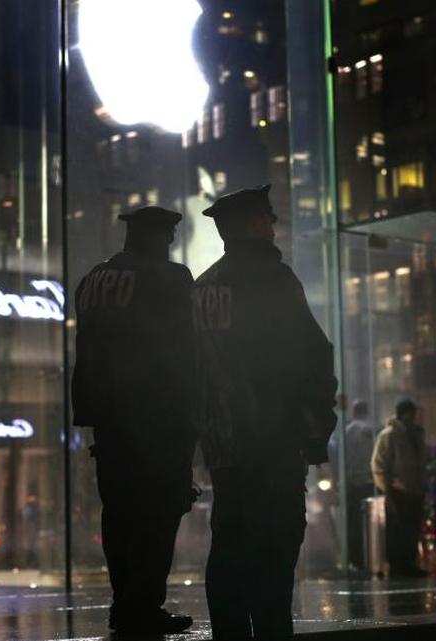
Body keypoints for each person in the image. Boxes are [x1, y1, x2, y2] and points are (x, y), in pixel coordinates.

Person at [192, 185, 338, 640]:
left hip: (223, 442)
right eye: (267, 217)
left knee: (230, 542)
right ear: (251, 224)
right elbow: (310, 353)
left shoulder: (202, 287)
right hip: (272, 436)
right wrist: (316, 421)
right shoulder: (271, 278)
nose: (274, 224)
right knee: (276, 544)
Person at [71, 205, 196, 634]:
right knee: (158, 516)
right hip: (157, 418)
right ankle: (143, 606)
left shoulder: (91, 281)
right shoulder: (169, 278)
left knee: (119, 516)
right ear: (163, 237)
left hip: (109, 422)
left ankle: (124, 604)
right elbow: (185, 354)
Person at [371, 399, 428, 578]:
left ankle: (409, 563)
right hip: (398, 489)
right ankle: (398, 565)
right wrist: (387, 487)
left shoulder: (415, 435)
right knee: (398, 530)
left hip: (413, 489)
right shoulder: (389, 435)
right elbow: (379, 464)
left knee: (411, 529)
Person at [334, 400, 376, 572]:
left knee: (353, 523)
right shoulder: (372, 429)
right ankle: (372, 556)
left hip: (352, 483)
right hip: (369, 482)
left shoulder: (348, 432)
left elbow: (339, 458)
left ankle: (355, 559)